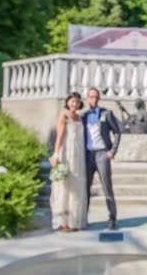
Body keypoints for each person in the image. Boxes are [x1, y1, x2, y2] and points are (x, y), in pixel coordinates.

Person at [82, 87, 121, 230]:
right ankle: (83, 217)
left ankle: (112, 218)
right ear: (87, 98)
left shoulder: (107, 113)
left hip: (102, 154)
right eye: (91, 97)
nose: (93, 99)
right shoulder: (84, 116)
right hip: (87, 155)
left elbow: (117, 132)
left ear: (99, 98)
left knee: (107, 187)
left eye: (96, 96)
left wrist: (112, 151)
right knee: (85, 188)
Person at [49, 92, 87, 232]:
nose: (74, 104)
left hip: (78, 155)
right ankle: (63, 221)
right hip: (67, 153)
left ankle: (74, 220)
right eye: (72, 101)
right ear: (67, 102)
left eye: (77, 102)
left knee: (76, 186)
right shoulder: (64, 116)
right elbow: (59, 136)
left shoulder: (80, 118)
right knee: (65, 186)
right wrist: (55, 154)